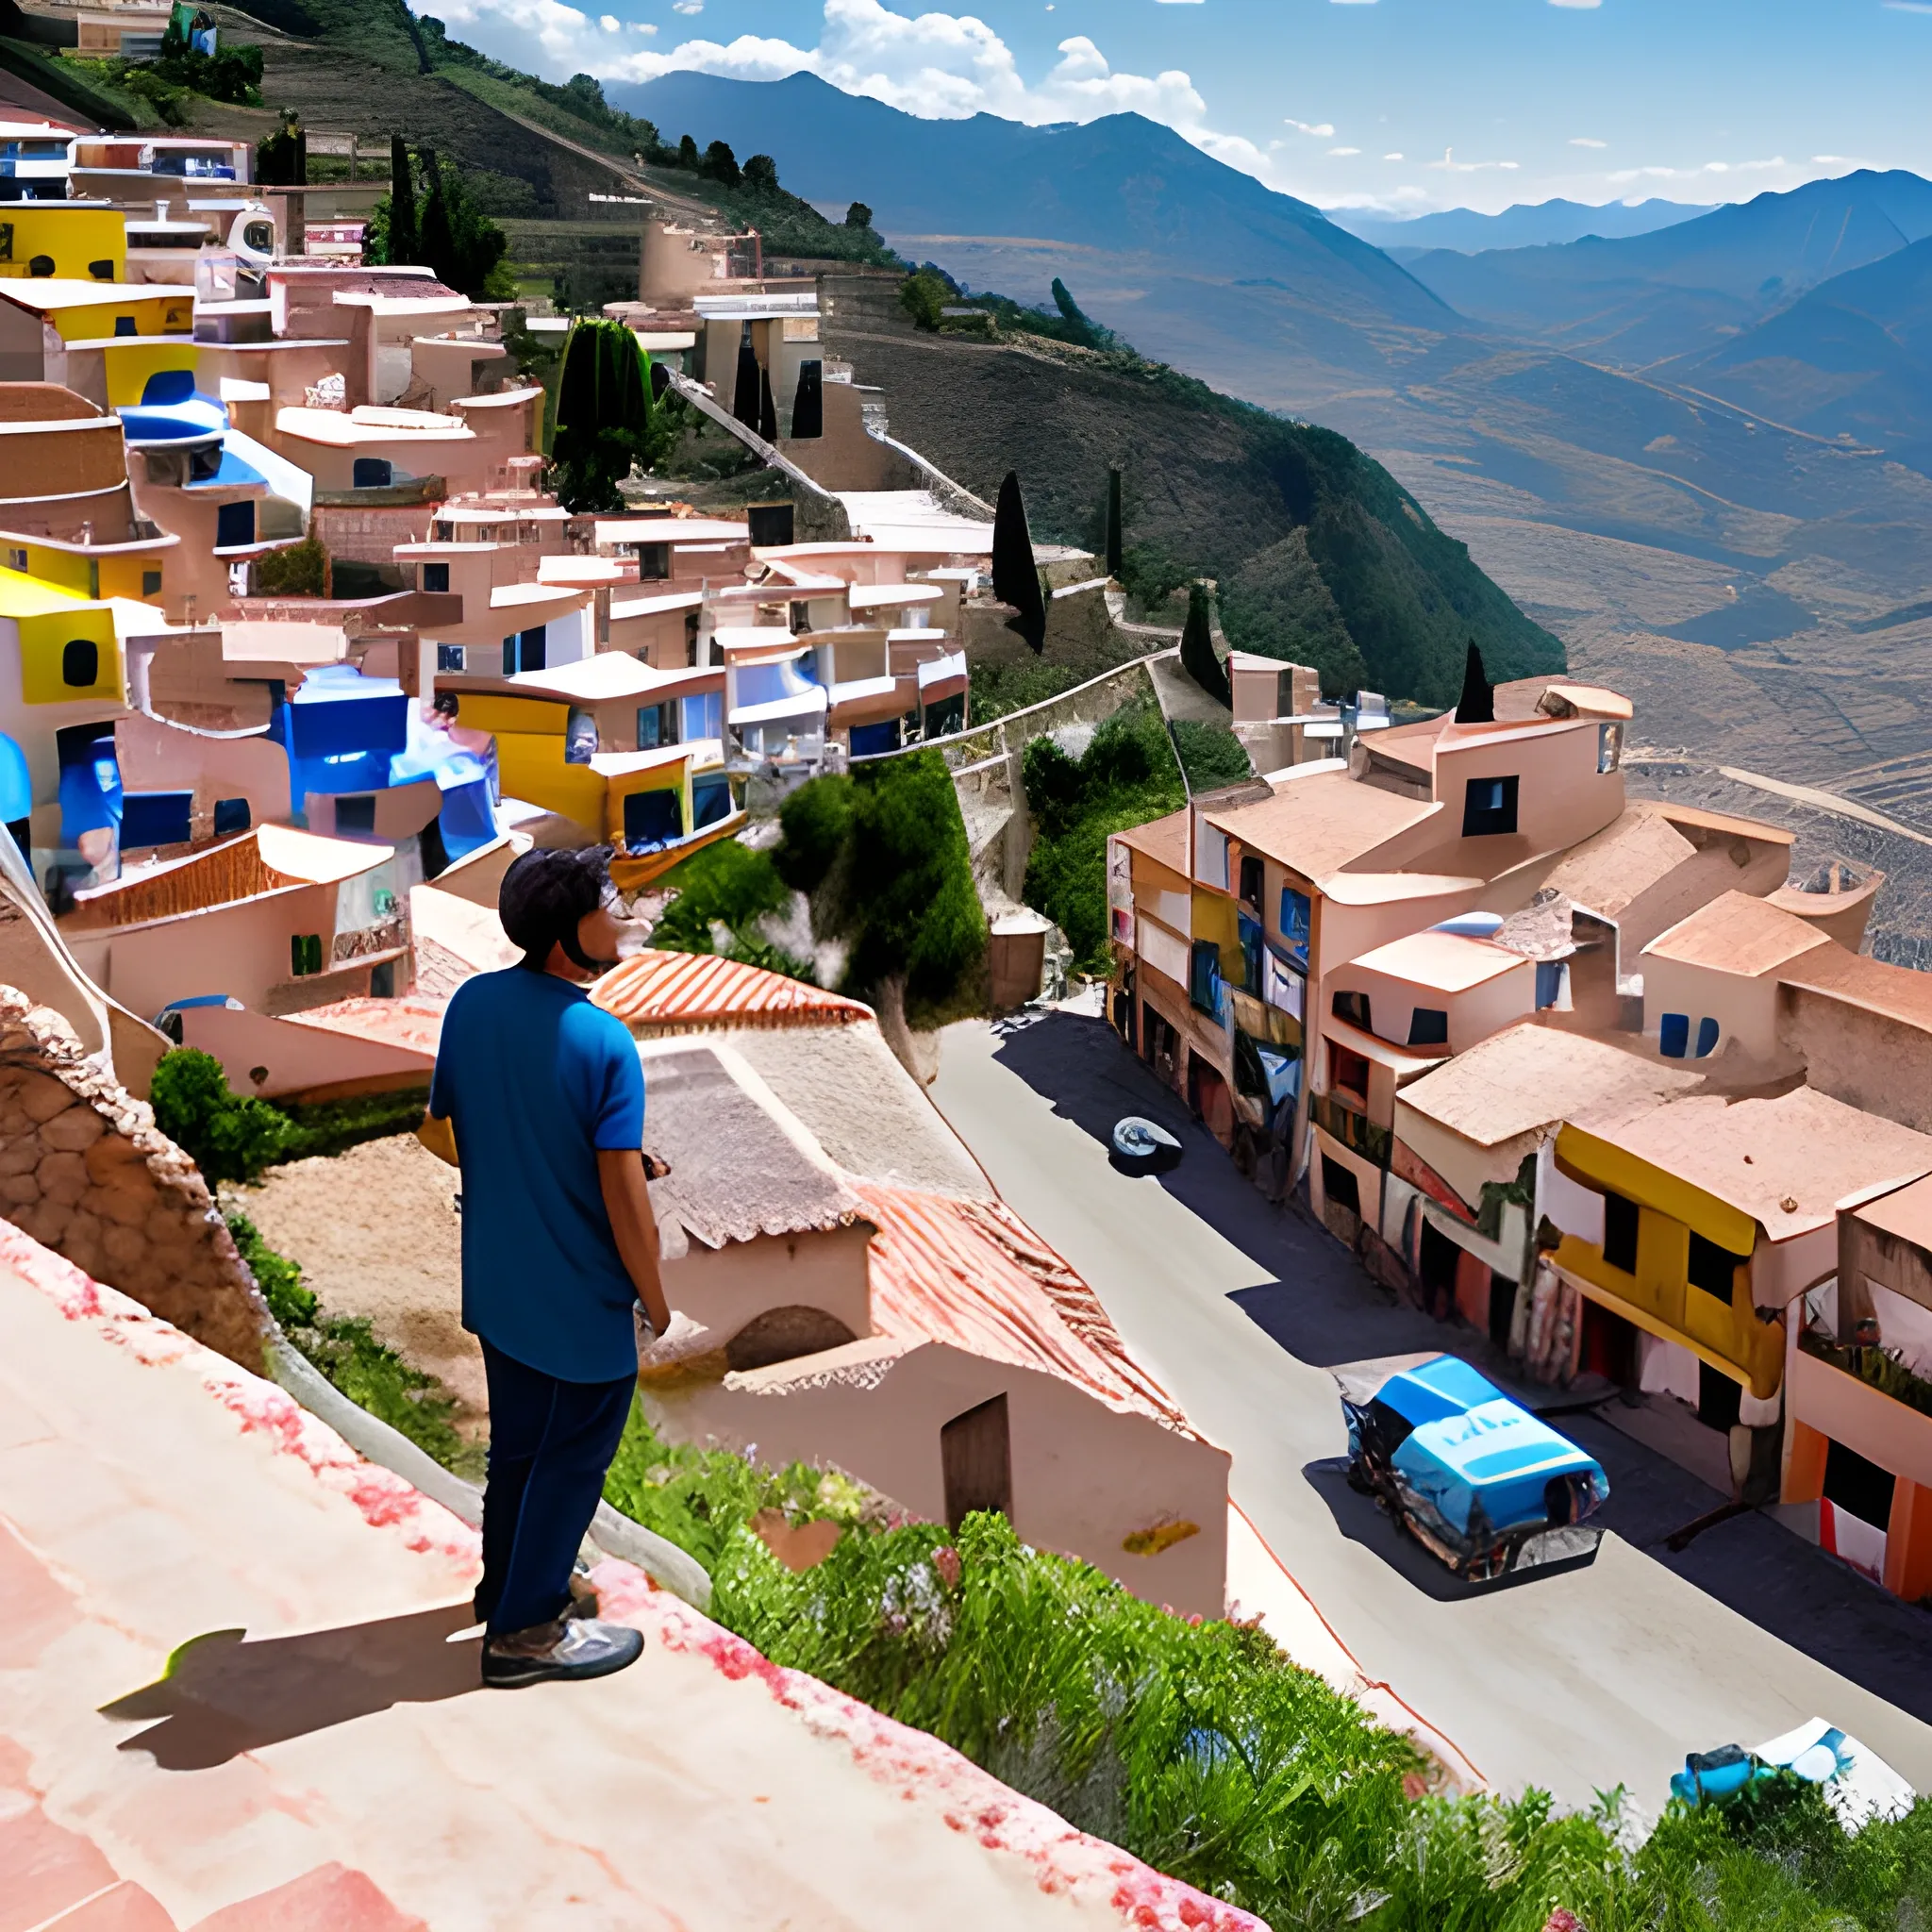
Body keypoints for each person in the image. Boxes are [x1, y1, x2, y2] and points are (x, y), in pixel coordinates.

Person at [425, 845, 672, 1690]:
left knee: (519, 1449)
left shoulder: (473, 1004)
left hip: (499, 1280)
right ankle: (526, 1632)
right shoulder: (607, 1043)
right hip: (578, 1298)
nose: (623, 914)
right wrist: (655, 1295)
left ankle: (505, 1587)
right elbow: (619, 1193)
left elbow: (451, 1126)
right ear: (571, 937)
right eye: (610, 903)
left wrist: (536, 1172)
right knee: (573, 1455)